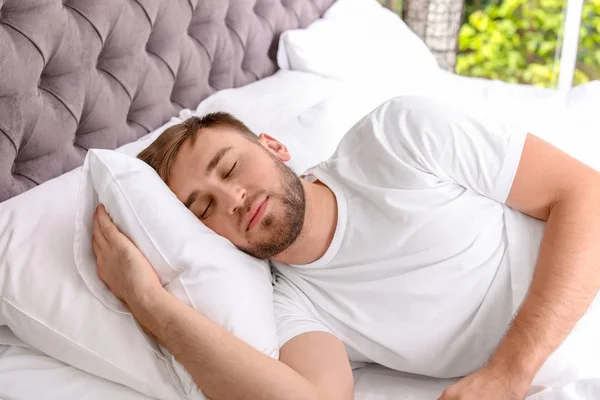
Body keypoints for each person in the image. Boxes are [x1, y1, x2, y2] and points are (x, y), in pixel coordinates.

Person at [92, 96, 600, 400]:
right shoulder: (286, 305)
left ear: (274, 146)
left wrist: (509, 372)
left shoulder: (397, 136)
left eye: (229, 168)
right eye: (202, 210)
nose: (232, 198)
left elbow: (586, 194)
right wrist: (149, 302)